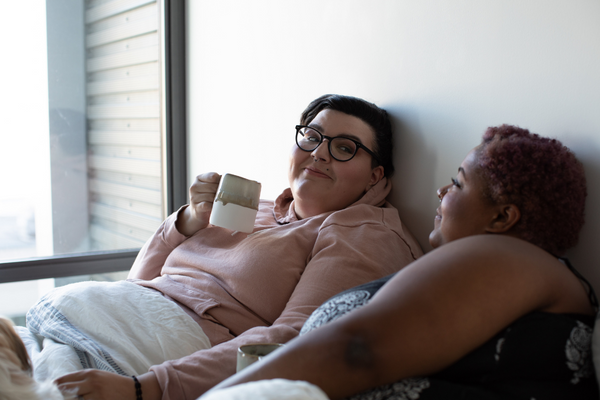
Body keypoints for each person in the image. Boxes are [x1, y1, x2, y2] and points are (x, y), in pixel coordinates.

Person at [51, 94, 423, 399]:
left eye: (345, 148)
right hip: (116, 317)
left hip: (176, 352)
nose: (320, 153)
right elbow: (140, 282)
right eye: (311, 137)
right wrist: (189, 220)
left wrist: (144, 389)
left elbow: (295, 338)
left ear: (375, 176)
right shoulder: (254, 208)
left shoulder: (362, 233)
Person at [204, 124, 599, 400]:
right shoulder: (511, 271)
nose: (442, 191)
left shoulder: (511, 255)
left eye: (458, 182)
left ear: (501, 218)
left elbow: (358, 348)